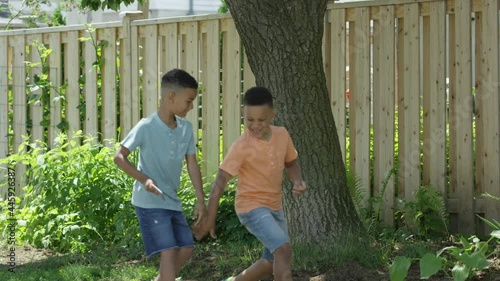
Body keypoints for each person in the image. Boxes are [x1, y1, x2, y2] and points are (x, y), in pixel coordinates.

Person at [195, 86, 307, 281]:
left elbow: (291, 164)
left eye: (261, 120)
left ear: (273, 115)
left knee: (271, 261)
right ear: (243, 115)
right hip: (251, 206)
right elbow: (221, 179)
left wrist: (297, 180)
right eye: (249, 120)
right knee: (283, 250)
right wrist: (211, 215)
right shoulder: (242, 146)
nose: (255, 125)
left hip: (275, 207)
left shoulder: (282, 135)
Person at [114, 68, 206, 281]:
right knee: (169, 251)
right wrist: (143, 178)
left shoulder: (186, 128)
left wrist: (201, 199)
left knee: (186, 248)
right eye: (189, 101)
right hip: (149, 201)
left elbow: (192, 164)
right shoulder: (146, 126)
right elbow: (119, 157)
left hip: (171, 201)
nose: (191, 107)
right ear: (171, 96)